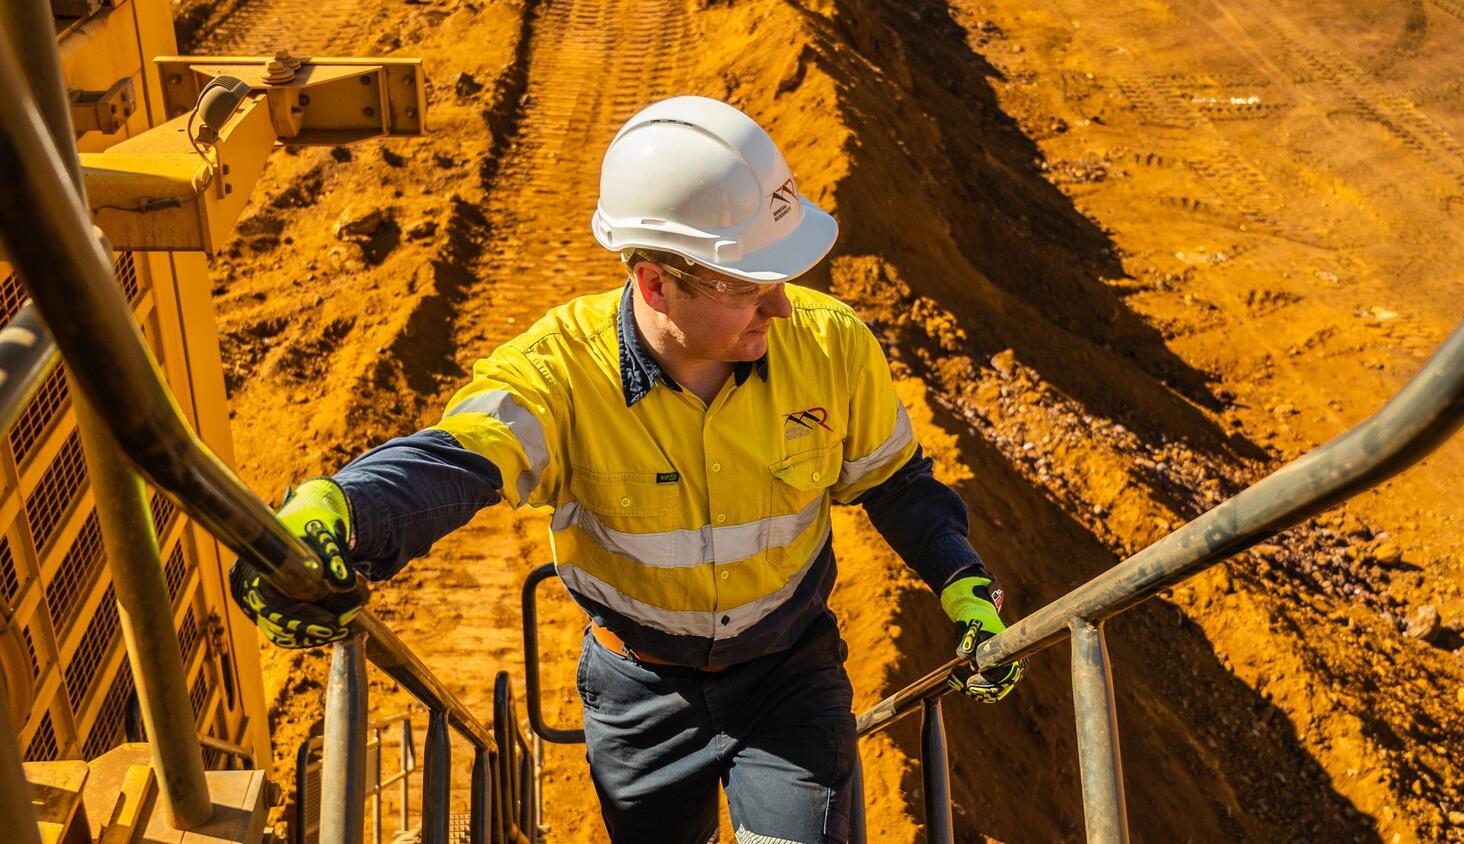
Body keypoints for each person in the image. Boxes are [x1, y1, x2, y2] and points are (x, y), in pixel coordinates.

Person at [231, 95, 1020, 844]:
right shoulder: (562, 371)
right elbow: (459, 457)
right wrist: (343, 511)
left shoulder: (831, 345)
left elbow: (896, 482)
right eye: (748, 287)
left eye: (782, 279)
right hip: (638, 694)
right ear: (654, 283)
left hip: (789, 672)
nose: (782, 308)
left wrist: (963, 581)